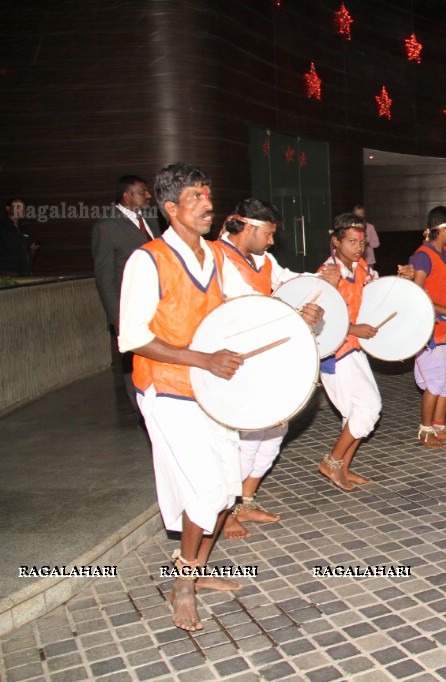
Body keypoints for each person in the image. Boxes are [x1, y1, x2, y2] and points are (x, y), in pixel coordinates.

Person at [118, 163, 323, 631]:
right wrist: (203, 359)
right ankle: (184, 584)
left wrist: (296, 316)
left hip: (212, 389)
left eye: (208, 195)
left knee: (227, 485)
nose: (208, 204)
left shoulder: (213, 257)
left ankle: (198, 570)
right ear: (171, 209)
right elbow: (132, 338)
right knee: (205, 490)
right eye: (195, 197)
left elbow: (247, 307)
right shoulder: (146, 260)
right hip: (168, 389)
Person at [211, 199, 340, 539]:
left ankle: (245, 501)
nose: (271, 242)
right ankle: (224, 512)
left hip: (266, 355)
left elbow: (289, 281)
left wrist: (320, 279)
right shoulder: (214, 256)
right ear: (248, 227)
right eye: (268, 234)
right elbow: (240, 303)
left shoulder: (262, 258)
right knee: (243, 437)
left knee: (271, 432)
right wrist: (292, 314)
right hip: (235, 357)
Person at [317, 212, 411, 490]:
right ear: (336, 242)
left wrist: (400, 278)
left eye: (362, 242)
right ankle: (332, 462)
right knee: (368, 409)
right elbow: (318, 318)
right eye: (352, 242)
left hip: (354, 350)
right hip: (335, 353)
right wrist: (354, 329)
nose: (359, 248)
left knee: (356, 413)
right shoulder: (327, 274)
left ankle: (343, 467)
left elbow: (377, 294)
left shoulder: (361, 270)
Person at [91, 175, 160, 421]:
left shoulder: (151, 219)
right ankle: (138, 406)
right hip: (129, 306)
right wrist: (116, 316)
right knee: (132, 357)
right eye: (143, 192)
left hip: (159, 305)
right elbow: (104, 276)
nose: (148, 195)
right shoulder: (106, 227)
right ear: (127, 196)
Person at [410, 206, 446, 447]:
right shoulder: (422, 256)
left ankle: (439, 426)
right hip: (431, 329)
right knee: (434, 381)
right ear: (442, 229)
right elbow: (416, 294)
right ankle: (425, 431)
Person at [0, 197, 37, 276]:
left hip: (25, 272)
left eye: (22, 207)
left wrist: (32, 250)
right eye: (17, 206)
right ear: (8, 208)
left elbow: (29, 252)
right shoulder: (2, 227)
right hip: (7, 272)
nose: (20, 209)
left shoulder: (24, 228)